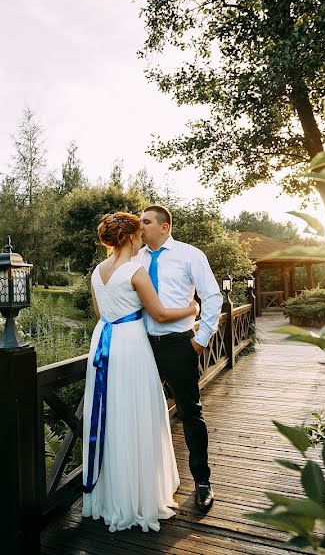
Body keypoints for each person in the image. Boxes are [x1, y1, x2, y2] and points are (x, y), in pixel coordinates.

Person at [82, 212, 199, 532]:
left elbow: (99, 312)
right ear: (131, 237)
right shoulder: (135, 271)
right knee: (138, 415)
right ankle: (138, 497)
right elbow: (160, 314)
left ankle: (111, 494)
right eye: (139, 235)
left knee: (111, 416)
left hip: (103, 345)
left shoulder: (97, 271)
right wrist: (193, 309)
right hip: (131, 346)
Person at [136, 204, 222, 511]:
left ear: (164, 227)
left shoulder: (190, 254)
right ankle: (145, 485)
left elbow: (212, 296)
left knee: (190, 413)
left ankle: (202, 481)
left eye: (145, 221)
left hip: (179, 345)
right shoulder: (136, 259)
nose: (140, 225)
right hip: (142, 345)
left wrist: (200, 341)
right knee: (142, 412)